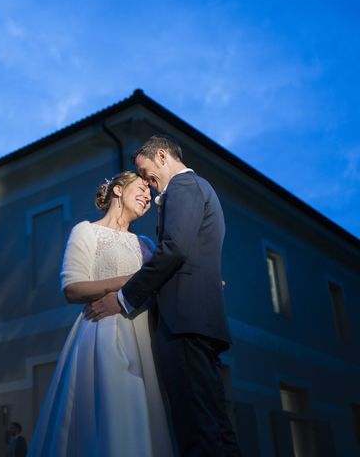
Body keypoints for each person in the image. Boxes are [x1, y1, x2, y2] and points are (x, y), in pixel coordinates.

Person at [87, 134, 241, 456]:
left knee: (196, 431)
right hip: (200, 322)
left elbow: (173, 250)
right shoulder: (203, 189)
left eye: (145, 172)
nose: (146, 182)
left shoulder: (183, 187)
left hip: (184, 324)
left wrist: (122, 299)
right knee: (215, 426)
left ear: (161, 156)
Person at [28, 171, 174, 456]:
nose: (149, 195)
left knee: (145, 416)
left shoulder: (147, 243)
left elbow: (165, 283)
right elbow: (72, 288)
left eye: (150, 191)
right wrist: (131, 281)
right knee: (111, 417)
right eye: (142, 188)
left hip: (145, 338)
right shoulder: (87, 231)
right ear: (118, 190)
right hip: (103, 335)